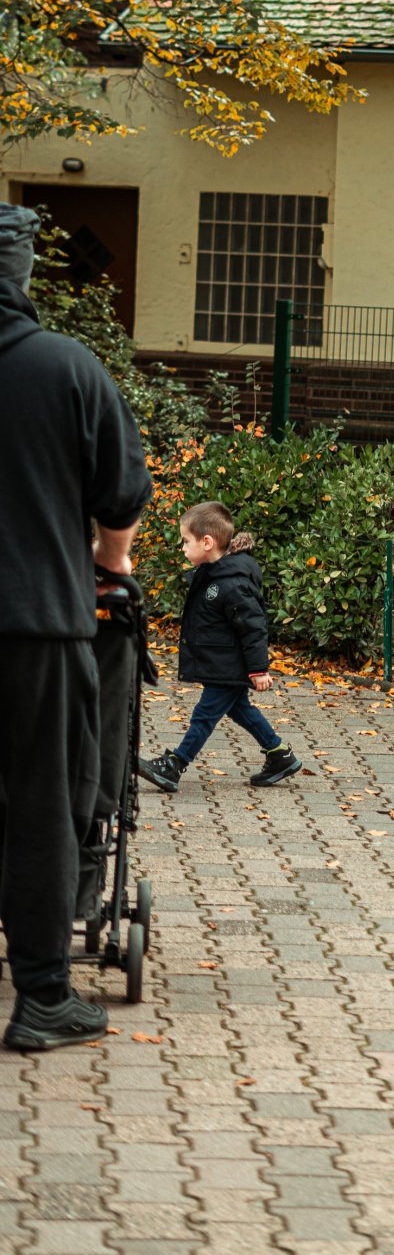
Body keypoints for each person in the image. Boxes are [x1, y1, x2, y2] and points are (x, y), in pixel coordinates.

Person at [0, 203, 152, 1051]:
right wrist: (112, 561)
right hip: (37, 621)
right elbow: (120, 494)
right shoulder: (66, 369)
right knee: (41, 805)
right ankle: (44, 997)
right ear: (21, 276)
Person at [138, 502, 300, 792]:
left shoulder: (232, 582)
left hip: (231, 664)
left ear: (207, 542)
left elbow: (254, 626)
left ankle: (175, 763)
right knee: (239, 709)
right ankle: (279, 755)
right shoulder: (214, 574)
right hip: (222, 661)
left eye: (186, 542)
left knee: (205, 715)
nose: (182, 548)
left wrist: (258, 668)